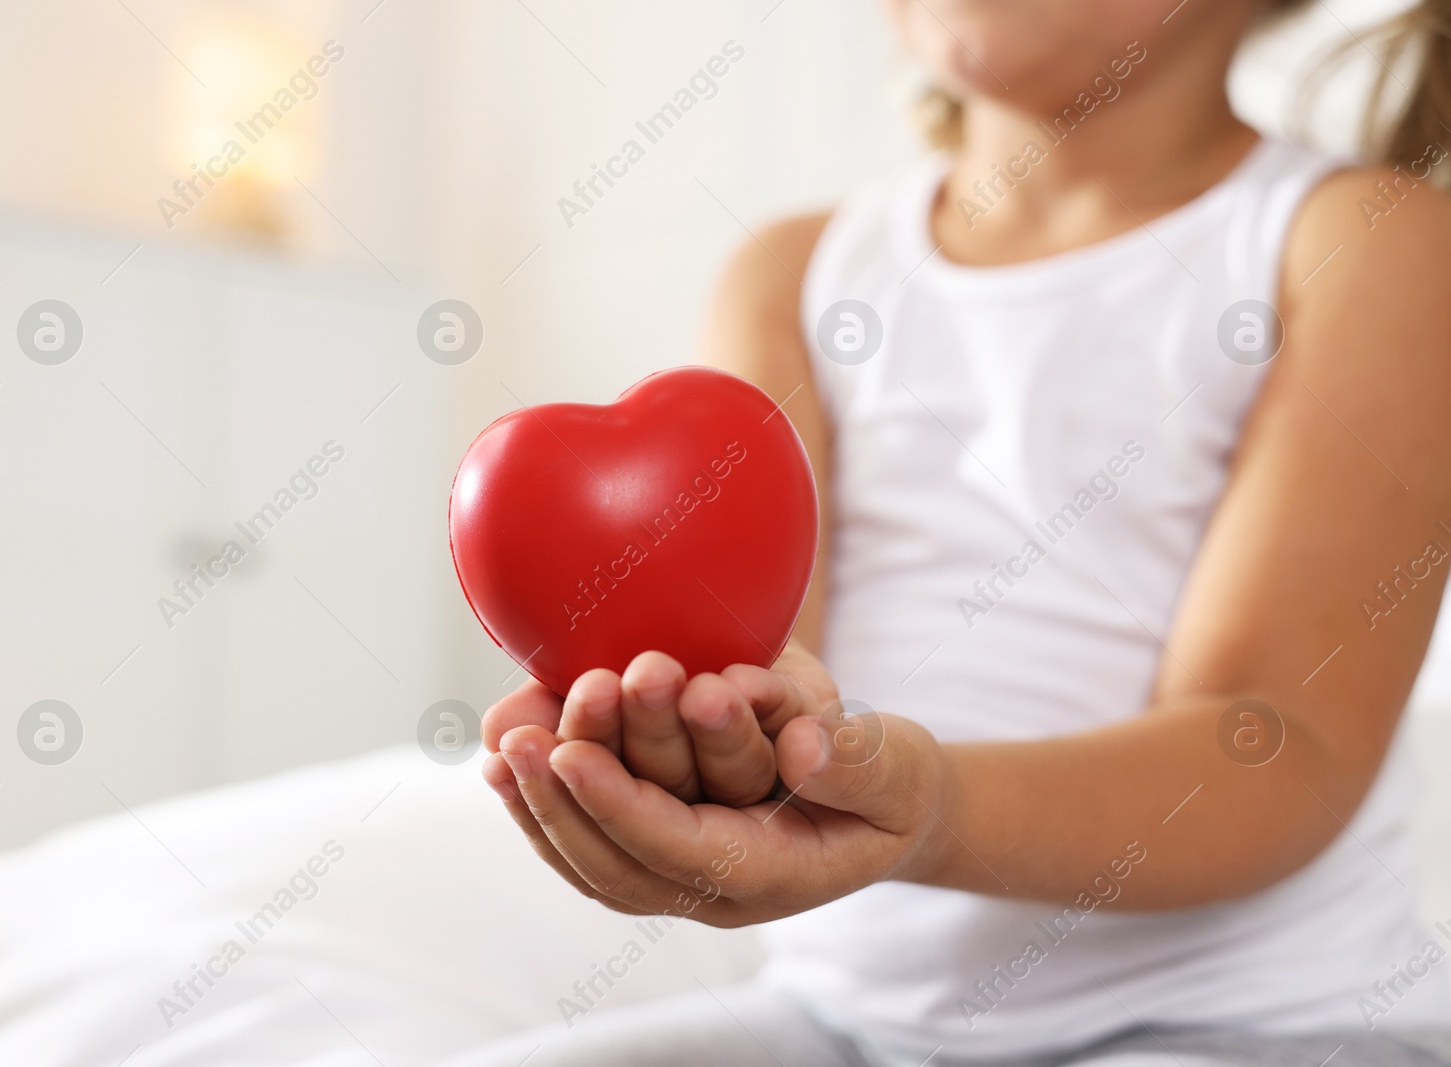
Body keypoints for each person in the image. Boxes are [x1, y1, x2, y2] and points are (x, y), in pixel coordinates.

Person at [454, 0, 1451, 1063]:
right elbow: (768, 668)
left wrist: (926, 812)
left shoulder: (1363, 243)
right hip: (845, 1017)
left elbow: (1271, 740)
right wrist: (712, 757)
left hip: (1244, 1022)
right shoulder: (796, 272)